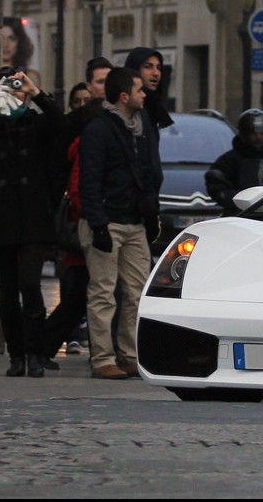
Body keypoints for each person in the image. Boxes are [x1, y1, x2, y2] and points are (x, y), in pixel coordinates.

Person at [0, 66, 64, 378]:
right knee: (8, 290)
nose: (14, 91)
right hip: (1, 217)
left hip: (34, 217)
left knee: (29, 282)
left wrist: (36, 93)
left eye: (19, 86)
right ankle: (16, 354)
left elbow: (62, 125)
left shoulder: (37, 121)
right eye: (9, 86)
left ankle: (37, 352)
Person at [77, 66, 162, 379]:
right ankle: (102, 358)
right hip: (107, 221)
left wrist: (151, 214)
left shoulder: (142, 126)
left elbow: (152, 172)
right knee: (102, 293)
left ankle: (129, 354)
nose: (145, 94)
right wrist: (98, 225)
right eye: (139, 90)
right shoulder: (99, 129)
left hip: (134, 220)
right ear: (124, 96)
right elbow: (90, 181)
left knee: (137, 293)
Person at [41, 57, 114, 369]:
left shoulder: (118, 118)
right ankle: (42, 347)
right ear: (88, 85)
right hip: (82, 218)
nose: (104, 88)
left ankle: (43, 347)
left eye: (109, 81)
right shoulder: (83, 123)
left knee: (98, 293)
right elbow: (67, 171)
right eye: (99, 82)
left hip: (104, 215)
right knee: (78, 294)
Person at [205, 108, 263, 214]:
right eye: (253, 133)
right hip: (239, 213)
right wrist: (233, 198)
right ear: (244, 134)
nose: (258, 137)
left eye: (262, 133)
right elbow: (216, 183)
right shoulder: (229, 159)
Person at [123, 46, 175, 142]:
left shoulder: (155, 107)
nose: (156, 73)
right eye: (148, 67)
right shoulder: (128, 107)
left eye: (158, 68)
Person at [0, 17, 43, 89]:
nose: (5, 44)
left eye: (12, 38)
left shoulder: (30, 76)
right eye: (1, 38)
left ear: (20, 42)